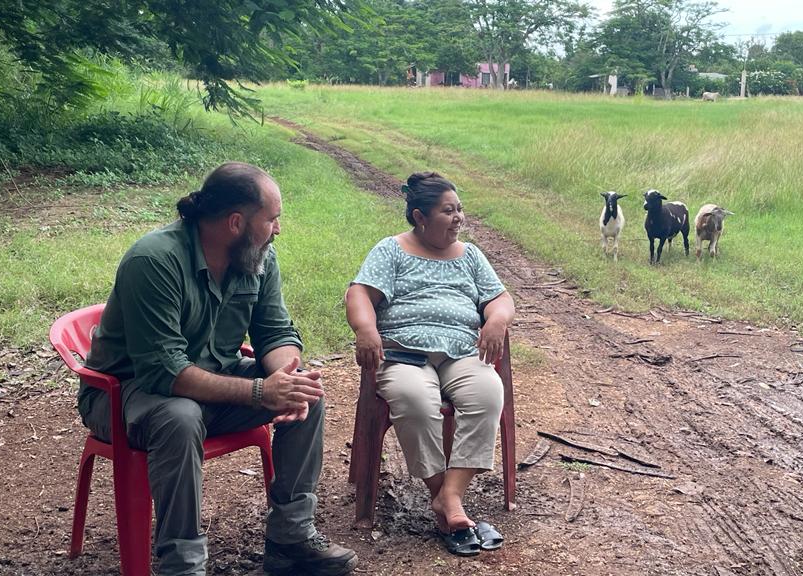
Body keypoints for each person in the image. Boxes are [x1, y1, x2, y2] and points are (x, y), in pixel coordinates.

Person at [78, 162, 358, 576]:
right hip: (127, 392)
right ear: (235, 222)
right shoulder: (154, 260)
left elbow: (275, 331)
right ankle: (183, 565)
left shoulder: (258, 256)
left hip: (211, 379)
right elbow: (163, 371)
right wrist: (261, 393)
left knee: (307, 397)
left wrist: (286, 378)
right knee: (180, 416)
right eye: (272, 219)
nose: (277, 229)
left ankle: (291, 538)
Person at [344, 172, 515, 556]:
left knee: (488, 394)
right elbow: (359, 293)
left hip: (461, 353)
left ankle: (447, 498)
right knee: (415, 401)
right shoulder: (391, 250)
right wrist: (366, 328)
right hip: (405, 352)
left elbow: (500, 298)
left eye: (460, 209)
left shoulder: (470, 255)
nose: (459, 218)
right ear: (420, 217)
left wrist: (497, 319)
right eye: (448, 211)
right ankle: (448, 499)